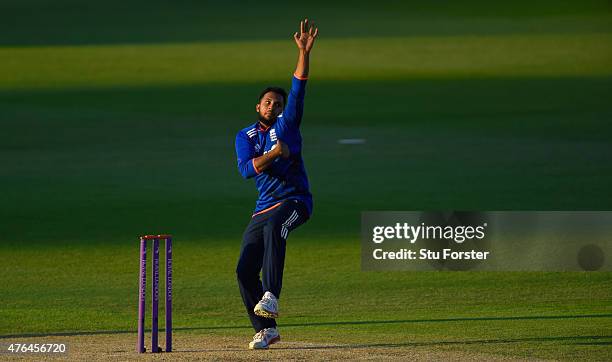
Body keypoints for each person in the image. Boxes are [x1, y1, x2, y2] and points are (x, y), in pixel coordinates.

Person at [234, 18, 318, 350]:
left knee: (275, 228)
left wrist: (303, 52)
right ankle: (266, 329)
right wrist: (273, 156)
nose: (274, 106)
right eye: (268, 102)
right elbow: (246, 169)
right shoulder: (246, 135)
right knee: (242, 270)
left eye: (278, 104)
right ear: (259, 107)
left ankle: (271, 295)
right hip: (262, 207)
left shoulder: (287, 125)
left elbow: (299, 84)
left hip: (296, 201)